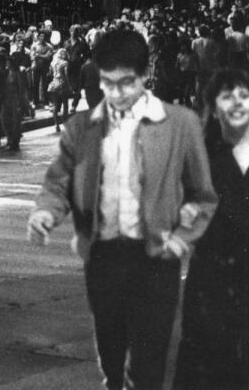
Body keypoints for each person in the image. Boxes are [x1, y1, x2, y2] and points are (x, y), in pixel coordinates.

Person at [27, 28, 217, 390]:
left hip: (157, 257)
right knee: (112, 356)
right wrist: (46, 213)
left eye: (127, 83)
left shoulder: (181, 125)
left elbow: (201, 195)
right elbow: (58, 181)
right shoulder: (81, 128)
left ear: (146, 76)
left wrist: (181, 238)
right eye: (108, 83)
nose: (117, 94)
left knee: (149, 363)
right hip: (103, 256)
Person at [174, 68, 249, 389]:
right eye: (227, 95)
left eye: (244, 95)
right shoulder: (200, 158)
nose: (237, 102)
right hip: (213, 286)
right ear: (214, 106)